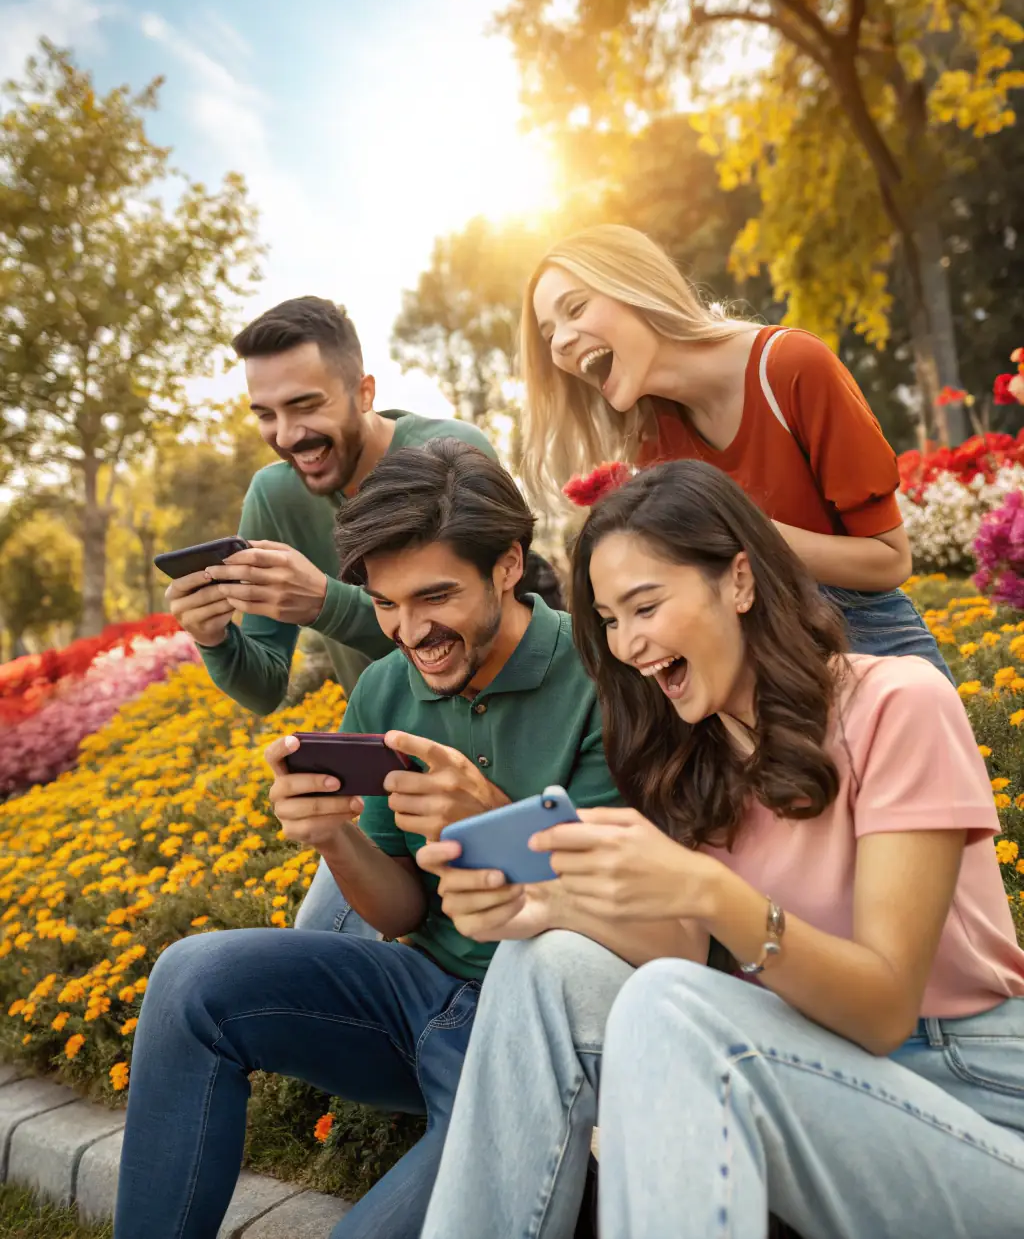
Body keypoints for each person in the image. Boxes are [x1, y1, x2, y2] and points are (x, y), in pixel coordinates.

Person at [418, 460, 1024, 1239]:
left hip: (974, 1104)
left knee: (671, 1006)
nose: (628, 643)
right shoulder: (691, 759)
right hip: (806, 1068)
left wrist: (707, 890)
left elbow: (881, 1011)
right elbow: (677, 948)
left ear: (739, 581)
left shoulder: (898, 702)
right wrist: (539, 904)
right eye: (607, 618)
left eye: (645, 605)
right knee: (542, 964)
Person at [113, 439, 623, 1239]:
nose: (410, 631)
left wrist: (486, 818)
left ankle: (573, 1182)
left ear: (508, 564)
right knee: (190, 977)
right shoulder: (387, 684)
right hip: (421, 1002)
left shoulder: (604, 677)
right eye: (385, 603)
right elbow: (400, 907)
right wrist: (336, 839)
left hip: (531, 1033)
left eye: (434, 596)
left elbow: (616, 907)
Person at [518, 224, 953, 682]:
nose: (561, 343)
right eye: (549, 333)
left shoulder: (790, 368)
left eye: (576, 308)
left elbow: (891, 561)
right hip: (762, 662)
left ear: (637, 287)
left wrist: (746, 530)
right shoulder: (652, 439)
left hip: (873, 641)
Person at [165, 295, 498, 713]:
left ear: (364, 393)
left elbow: (492, 627)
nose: (285, 436)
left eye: (305, 406)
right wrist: (213, 638)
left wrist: (326, 603)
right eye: (266, 415)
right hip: (391, 746)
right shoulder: (275, 496)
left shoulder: (452, 455)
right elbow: (265, 689)